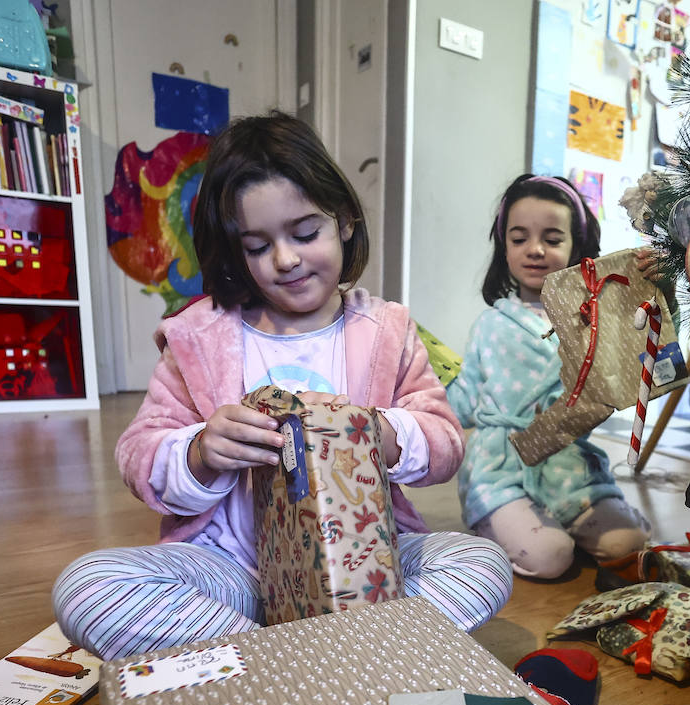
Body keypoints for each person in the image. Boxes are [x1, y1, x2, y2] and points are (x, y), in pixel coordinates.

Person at [53, 113, 512, 660]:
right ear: (233, 250)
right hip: (232, 575)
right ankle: (314, 660)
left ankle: (290, 661)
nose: (286, 259)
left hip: (367, 568)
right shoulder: (199, 337)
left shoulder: (385, 330)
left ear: (342, 220)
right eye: (256, 245)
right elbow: (139, 452)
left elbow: (444, 439)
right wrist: (201, 451)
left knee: (482, 564)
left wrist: (383, 436)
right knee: (87, 587)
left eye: (305, 233)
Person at [446, 174, 650, 580]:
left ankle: (559, 520)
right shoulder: (491, 325)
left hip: (568, 467)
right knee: (552, 556)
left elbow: (644, 352)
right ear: (503, 246)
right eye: (519, 238)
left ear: (577, 245)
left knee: (627, 543)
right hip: (501, 468)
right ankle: (493, 522)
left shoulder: (595, 320)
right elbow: (463, 401)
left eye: (552, 239)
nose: (535, 250)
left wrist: (660, 292)